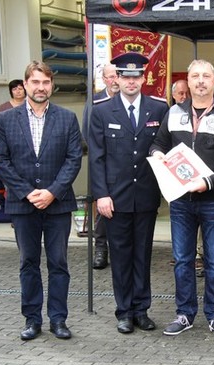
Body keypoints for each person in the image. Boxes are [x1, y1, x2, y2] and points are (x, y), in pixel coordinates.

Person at [150, 59, 214, 336]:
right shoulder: (173, 112)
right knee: (182, 260)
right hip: (180, 201)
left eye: (206, 76)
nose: (200, 81)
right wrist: (157, 154)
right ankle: (184, 314)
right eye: (195, 76)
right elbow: (159, 142)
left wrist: (208, 181)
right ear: (188, 82)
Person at [0, 61, 83, 341]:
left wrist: (53, 191)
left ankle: (58, 319)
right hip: (22, 205)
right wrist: (26, 191)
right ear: (25, 85)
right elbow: (0, 160)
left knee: (58, 263)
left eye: (45, 82)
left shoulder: (67, 118)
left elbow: (73, 159)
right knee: (28, 263)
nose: (40, 87)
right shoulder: (7, 119)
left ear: (51, 86)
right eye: (35, 82)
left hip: (57, 204)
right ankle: (32, 320)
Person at [89, 52, 169, 334]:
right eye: (125, 76)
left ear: (143, 78)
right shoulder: (101, 111)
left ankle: (141, 310)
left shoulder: (159, 109)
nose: (131, 81)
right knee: (121, 258)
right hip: (115, 199)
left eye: (136, 76)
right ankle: (123, 311)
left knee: (142, 256)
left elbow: (164, 149)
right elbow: (97, 158)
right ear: (117, 79)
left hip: (145, 197)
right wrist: (101, 195)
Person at [82, 63, 120, 269]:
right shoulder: (95, 101)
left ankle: (118, 250)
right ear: (104, 79)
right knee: (103, 208)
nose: (114, 80)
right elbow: (87, 133)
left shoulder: (131, 100)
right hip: (102, 163)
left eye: (117, 76)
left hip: (126, 166)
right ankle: (101, 248)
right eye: (110, 76)